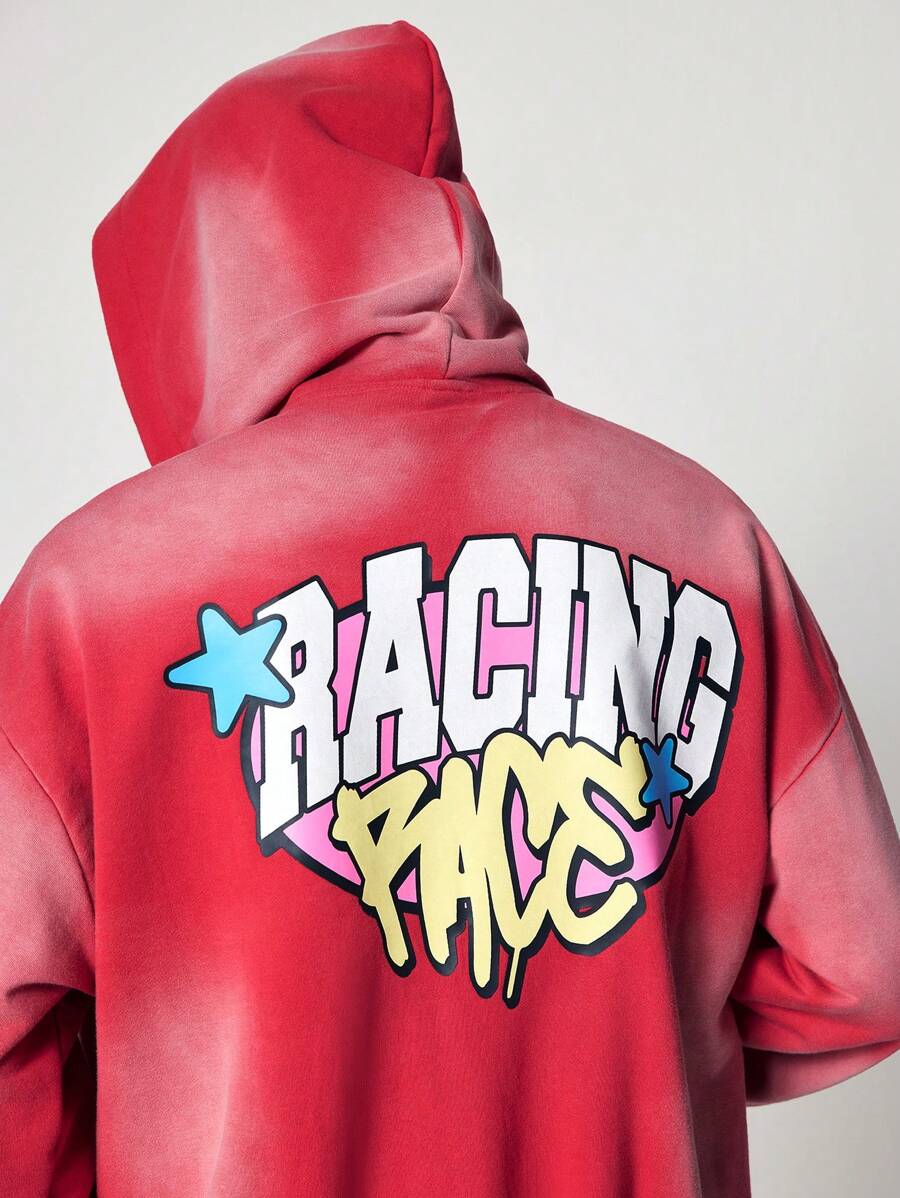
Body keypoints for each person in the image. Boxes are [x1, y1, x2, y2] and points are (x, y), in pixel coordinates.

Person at [1, 20, 897, 1198]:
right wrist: (645, 1044)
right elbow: (867, 963)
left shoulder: (92, 596)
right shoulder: (710, 541)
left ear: (205, 281)